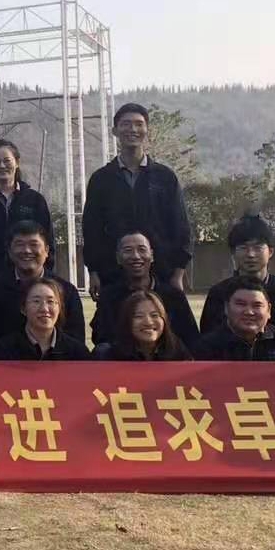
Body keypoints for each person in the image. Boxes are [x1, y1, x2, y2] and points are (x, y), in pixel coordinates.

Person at [82, 102, 192, 301]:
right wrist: (93, 272)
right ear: (115, 131)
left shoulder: (165, 177)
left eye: (139, 124)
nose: (132, 129)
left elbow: (180, 226)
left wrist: (178, 273)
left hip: (161, 273)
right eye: (126, 124)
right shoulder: (101, 179)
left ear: (147, 130)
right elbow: (91, 229)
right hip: (112, 274)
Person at [199, 214, 275, 356]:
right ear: (233, 253)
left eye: (258, 247)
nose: (251, 254)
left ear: (270, 251)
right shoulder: (218, 294)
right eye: (243, 247)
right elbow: (205, 348)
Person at [0, 220, 85, 345]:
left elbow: (76, 340)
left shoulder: (66, 291)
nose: (27, 250)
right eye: (19, 244)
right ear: (9, 251)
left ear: (46, 250)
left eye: (34, 244)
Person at [0, 138, 54, 299]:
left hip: (31, 276)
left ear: (17, 162)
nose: (2, 166)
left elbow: (48, 238)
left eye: (7, 161)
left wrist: (47, 273)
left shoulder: (35, 199)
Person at [90, 232, 199, 349]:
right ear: (118, 258)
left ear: (151, 255)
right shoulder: (109, 297)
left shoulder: (174, 296)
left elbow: (191, 338)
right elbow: (100, 337)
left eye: (142, 249)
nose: (136, 256)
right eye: (128, 250)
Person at [192, 277, 275, 362]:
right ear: (226, 308)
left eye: (257, 305)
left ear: (269, 310)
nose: (249, 312)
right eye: (241, 304)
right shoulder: (207, 347)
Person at [0, 278, 91, 361]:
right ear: (23, 308)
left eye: (50, 301)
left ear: (59, 308)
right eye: (36, 301)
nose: (44, 309)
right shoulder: (4, 350)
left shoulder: (77, 353)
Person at [93, 291, 192, 361]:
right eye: (139, 316)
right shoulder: (110, 356)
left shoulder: (177, 351)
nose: (148, 322)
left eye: (154, 315)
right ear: (127, 321)